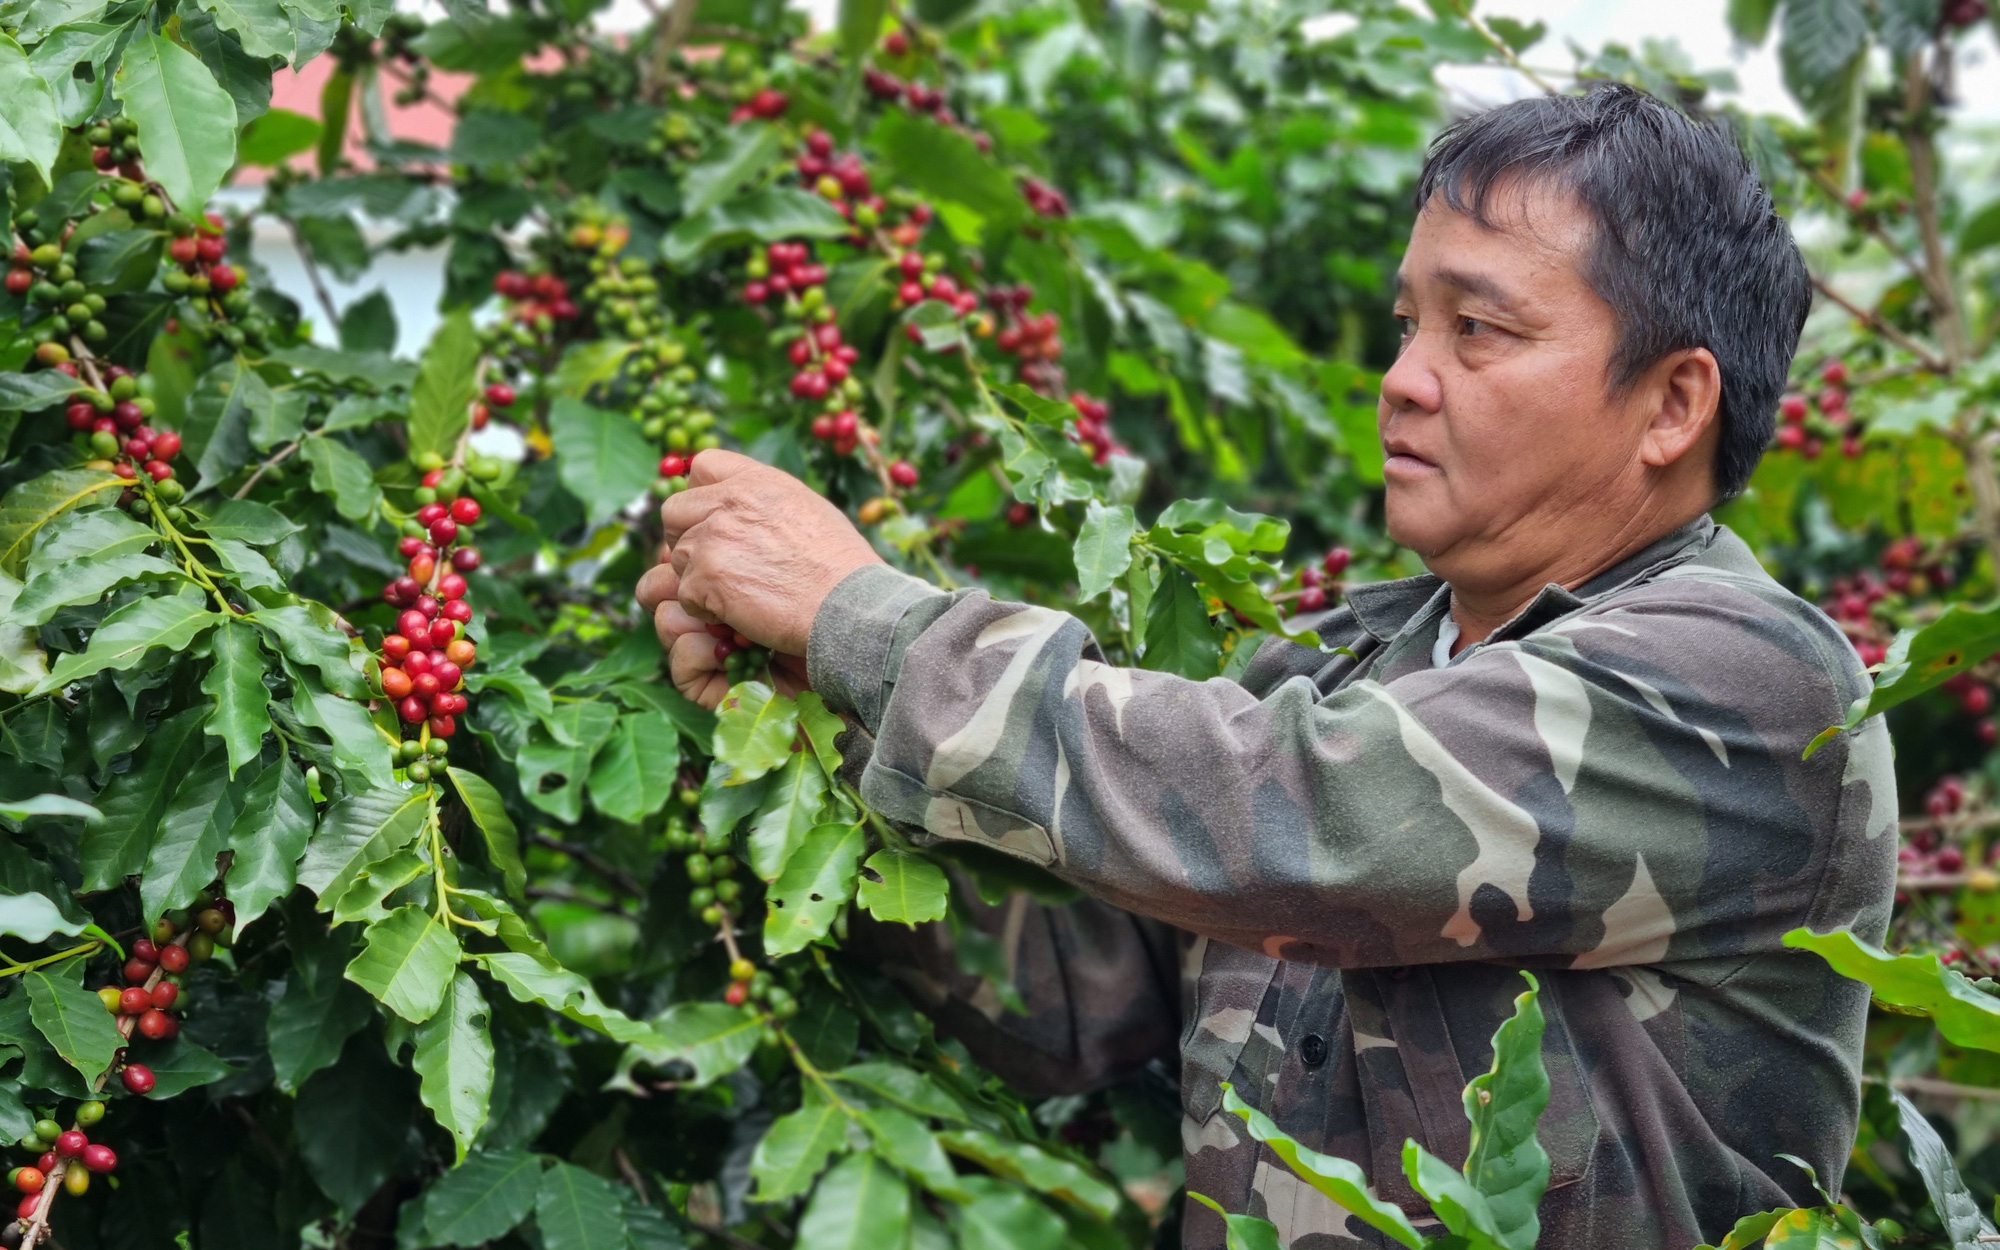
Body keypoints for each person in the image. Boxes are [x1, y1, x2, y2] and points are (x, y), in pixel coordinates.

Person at [634, 82, 1896, 1249]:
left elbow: (1302, 811)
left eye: (1477, 329)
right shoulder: (1340, 663)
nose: (1400, 378)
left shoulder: (1750, 683)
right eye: (1408, 323)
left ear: (1672, 406)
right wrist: (807, 714)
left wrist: (868, 621)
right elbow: (1068, 999)